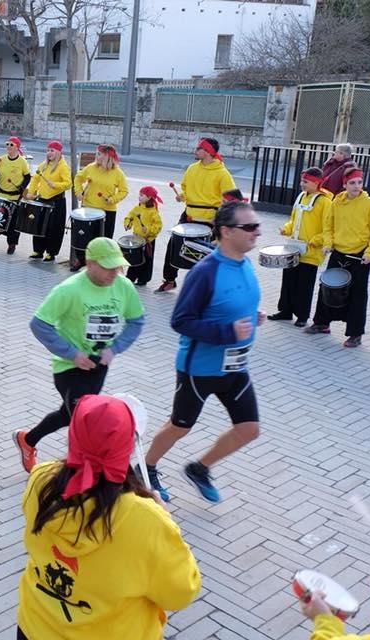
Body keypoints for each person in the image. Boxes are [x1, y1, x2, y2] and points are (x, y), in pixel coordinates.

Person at [17, 395, 200, 640]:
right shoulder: (147, 520)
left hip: (36, 628)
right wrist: (169, 524)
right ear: (127, 446)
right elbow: (180, 593)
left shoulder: (41, 479)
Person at [143, 200, 264, 503]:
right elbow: (180, 320)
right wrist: (227, 332)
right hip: (200, 368)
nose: (257, 232)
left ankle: (199, 468)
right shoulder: (205, 271)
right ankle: (144, 469)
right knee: (180, 425)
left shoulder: (244, 263)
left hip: (235, 367)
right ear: (225, 231)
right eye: (248, 227)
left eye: (257, 226)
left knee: (249, 429)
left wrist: (253, 315)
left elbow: (231, 303)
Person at [14, 237, 144, 473]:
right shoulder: (69, 290)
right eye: (108, 267)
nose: (114, 272)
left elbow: (136, 321)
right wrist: (73, 354)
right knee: (84, 422)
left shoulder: (123, 286)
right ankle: (79, 473)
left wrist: (114, 349)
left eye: (117, 266)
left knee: (68, 415)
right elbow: (39, 324)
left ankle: (28, 439)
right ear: (90, 263)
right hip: (69, 368)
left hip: (99, 366)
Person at [305, 168, 370, 347]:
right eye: (352, 183)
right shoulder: (336, 202)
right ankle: (322, 323)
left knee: (357, 295)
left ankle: (355, 334)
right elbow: (328, 227)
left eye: (359, 182)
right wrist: (328, 244)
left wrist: (369, 253)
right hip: (338, 253)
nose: (357, 186)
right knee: (327, 288)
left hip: (359, 256)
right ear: (345, 185)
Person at [156, 138, 236, 292]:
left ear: (208, 152)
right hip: (189, 214)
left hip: (210, 218)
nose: (196, 150)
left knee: (206, 253)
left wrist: (220, 215)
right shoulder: (192, 169)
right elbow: (185, 188)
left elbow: (231, 198)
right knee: (173, 245)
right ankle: (169, 279)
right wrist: (182, 196)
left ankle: (208, 286)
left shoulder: (222, 174)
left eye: (199, 148)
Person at [268, 168, 331, 328]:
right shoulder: (301, 196)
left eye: (305, 181)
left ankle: (302, 315)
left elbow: (329, 227)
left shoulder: (325, 202)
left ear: (316, 183)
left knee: (304, 285)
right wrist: (286, 229)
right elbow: (293, 219)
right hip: (294, 249)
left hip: (310, 251)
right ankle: (285, 311)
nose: (301, 184)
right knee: (288, 281)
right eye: (302, 181)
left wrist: (316, 240)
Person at [72, 143, 128, 244]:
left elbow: (124, 191)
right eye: (96, 153)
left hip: (107, 211)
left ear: (107, 156)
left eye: (99, 154)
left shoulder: (118, 173)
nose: (95, 156)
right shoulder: (91, 167)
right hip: (88, 208)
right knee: (86, 240)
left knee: (103, 242)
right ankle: (83, 259)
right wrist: (79, 192)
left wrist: (112, 199)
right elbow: (78, 178)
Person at [26, 140, 71, 261]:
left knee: (54, 228)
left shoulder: (63, 166)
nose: (49, 153)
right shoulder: (44, 165)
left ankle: (51, 252)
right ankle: (38, 250)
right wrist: (31, 192)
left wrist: (55, 185)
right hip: (42, 199)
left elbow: (68, 184)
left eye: (52, 150)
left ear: (58, 152)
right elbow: (36, 179)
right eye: (48, 150)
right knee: (39, 225)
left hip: (56, 201)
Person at [122, 186, 164, 286]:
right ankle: (130, 277)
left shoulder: (153, 212)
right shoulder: (138, 208)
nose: (139, 197)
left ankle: (143, 279)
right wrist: (128, 223)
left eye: (141, 195)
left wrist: (148, 230)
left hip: (148, 240)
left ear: (149, 197)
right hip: (136, 238)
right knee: (134, 258)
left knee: (146, 260)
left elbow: (158, 226)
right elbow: (129, 216)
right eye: (139, 195)